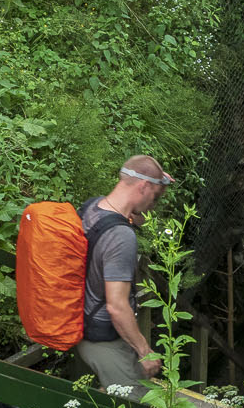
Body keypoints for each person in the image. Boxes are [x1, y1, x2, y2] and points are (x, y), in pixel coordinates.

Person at [73, 156, 173, 392]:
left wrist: (159, 184)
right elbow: (117, 306)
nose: (153, 206)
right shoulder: (121, 237)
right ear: (143, 186)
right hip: (103, 338)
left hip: (81, 323)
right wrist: (144, 351)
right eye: (155, 197)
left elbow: (132, 215)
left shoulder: (93, 208)